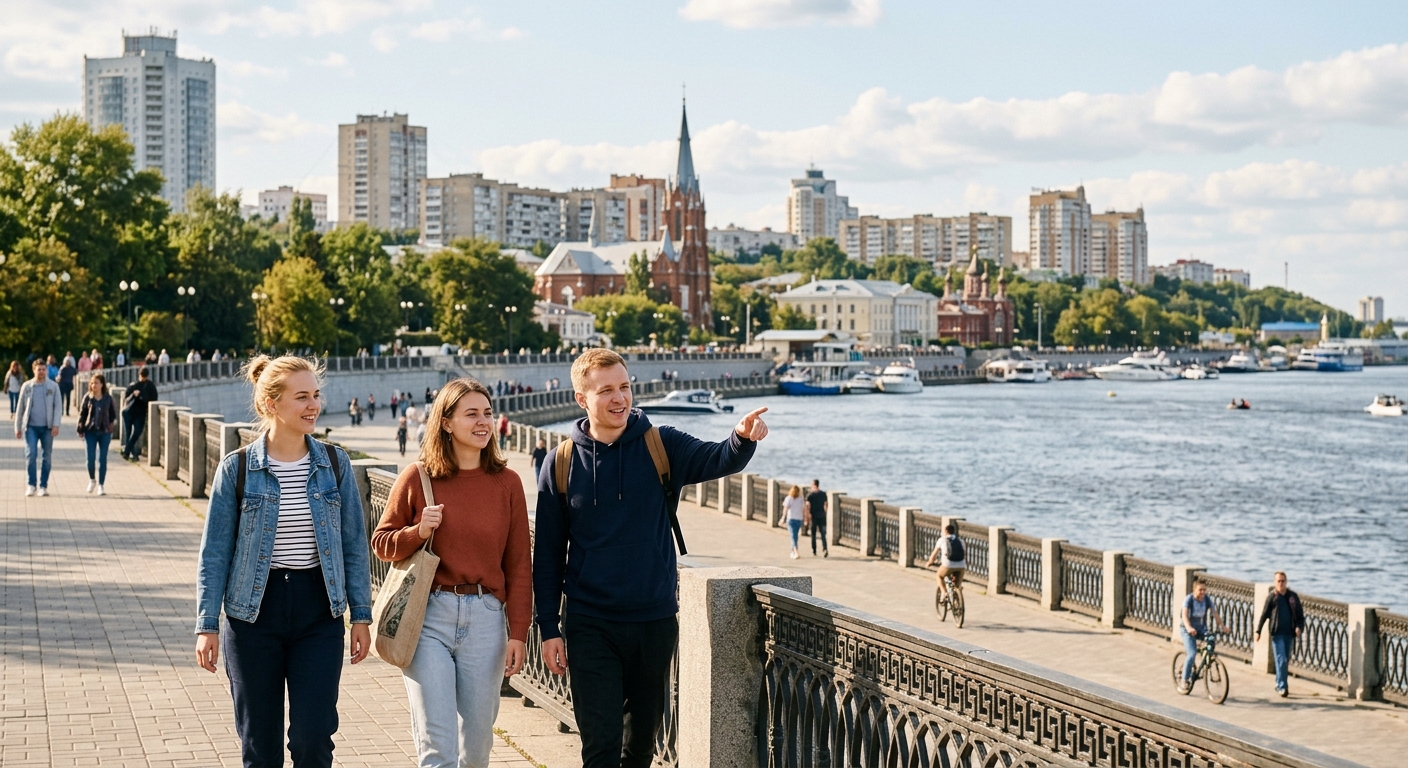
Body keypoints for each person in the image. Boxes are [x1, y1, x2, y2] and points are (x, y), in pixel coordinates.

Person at [533, 349, 768, 767]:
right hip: (590, 624)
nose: (619, 398)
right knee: (600, 748)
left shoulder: (662, 444)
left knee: (640, 748)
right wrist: (548, 627)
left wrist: (741, 437)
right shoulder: (561, 463)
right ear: (581, 398)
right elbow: (548, 554)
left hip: (653, 622)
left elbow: (717, 458)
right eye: (606, 390)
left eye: (625, 387)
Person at [194, 355, 372, 768]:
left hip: (318, 614)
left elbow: (353, 545)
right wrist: (207, 625)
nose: (314, 405)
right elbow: (215, 552)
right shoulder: (237, 468)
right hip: (252, 617)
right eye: (302, 397)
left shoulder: (334, 464)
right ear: (271, 404)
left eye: (316, 395)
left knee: (313, 740)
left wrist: (361, 615)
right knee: (260, 746)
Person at [372, 378, 531, 768]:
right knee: (437, 746)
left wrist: (518, 632)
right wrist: (418, 532)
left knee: (476, 749)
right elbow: (381, 543)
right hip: (427, 618)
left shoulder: (508, 483)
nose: (483, 422)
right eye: (471, 414)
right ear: (445, 422)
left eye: (488, 413)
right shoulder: (418, 477)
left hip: (486, 620)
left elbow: (518, 566)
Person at [15, 359, 62, 497]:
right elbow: (20, 407)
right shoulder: (27, 386)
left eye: (43, 369)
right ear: (33, 370)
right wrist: (17, 427)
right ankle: (31, 485)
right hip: (31, 427)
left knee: (47, 457)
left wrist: (56, 424)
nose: (41, 372)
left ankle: (43, 486)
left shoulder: (53, 386)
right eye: (39, 369)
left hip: (47, 428)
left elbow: (58, 407)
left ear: (46, 370)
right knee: (31, 455)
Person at [1254, 571, 1304, 698]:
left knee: (1285, 660)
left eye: (1283, 581)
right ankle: (1283, 687)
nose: (1281, 584)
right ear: (1275, 583)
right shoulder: (1272, 597)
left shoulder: (1292, 597)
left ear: (1286, 582)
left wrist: (1299, 627)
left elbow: (1300, 615)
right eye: (1278, 581)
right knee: (1281, 659)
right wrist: (1258, 631)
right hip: (1277, 634)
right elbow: (1264, 614)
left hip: (1289, 634)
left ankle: (1278, 682)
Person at [1177, 577, 1230, 693]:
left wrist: (1222, 626)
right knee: (1192, 653)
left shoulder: (1206, 599)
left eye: (1204, 590)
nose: (1203, 592)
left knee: (1211, 639)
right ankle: (1184, 680)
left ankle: (1205, 662)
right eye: (1200, 590)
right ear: (1194, 590)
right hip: (1186, 629)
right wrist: (1189, 627)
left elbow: (1215, 613)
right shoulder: (1188, 600)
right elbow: (1184, 616)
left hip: (1200, 628)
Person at [76, 373, 118, 495]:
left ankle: (101, 485)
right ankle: (92, 479)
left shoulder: (108, 398)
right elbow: (82, 414)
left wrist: (111, 425)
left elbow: (113, 415)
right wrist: (80, 429)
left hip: (105, 432)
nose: (94, 385)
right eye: (92, 383)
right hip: (90, 431)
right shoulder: (88, 398)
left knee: (102, 459)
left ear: (102, 384)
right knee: (90, 459)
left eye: (97, 383)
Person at [121, 367, 160, 460]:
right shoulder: (133, 385)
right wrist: (133, 395)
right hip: (129, 413)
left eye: (144, 377)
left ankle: (127, 451)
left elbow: (153, 399)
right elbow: (126, 399)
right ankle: (133, 454)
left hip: (140, 413)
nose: (143, 378)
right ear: (139, 375)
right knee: (129, 433)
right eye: (142, 376)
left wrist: (141, 396)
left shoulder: (150, 386)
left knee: (137, 432)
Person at [924, 524, 967, 604]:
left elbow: (934, 554)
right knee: (957, 585)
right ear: (954, 532)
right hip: (961, 565)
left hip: (948, 565)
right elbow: (964, 554)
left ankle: (944, 593)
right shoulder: (961, 541)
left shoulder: (942, 540)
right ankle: (957, 601)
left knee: (939, 576)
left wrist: (930, 562)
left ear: (946, 531)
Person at [805, 479, 829, 557]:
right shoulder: (823, 494)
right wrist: (825, 512)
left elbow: (807, 506)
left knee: (813, 534)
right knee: (823, 534)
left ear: (814, 485)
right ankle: (825, 548)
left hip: (814, 517)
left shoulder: (810, 495)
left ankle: (814, 550)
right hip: (822, 516)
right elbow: (826, 504)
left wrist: (807, 517)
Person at [783, 485, 806, 559]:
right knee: (794, 536)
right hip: (799, 519)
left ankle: (796, 552)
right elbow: (803, 509)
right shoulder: (801, 499)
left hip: (791, 519)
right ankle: (793, 551)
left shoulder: (789, 498)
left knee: (793, 536)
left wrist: (783, 518)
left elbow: (785, 508)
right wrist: (804, 518)